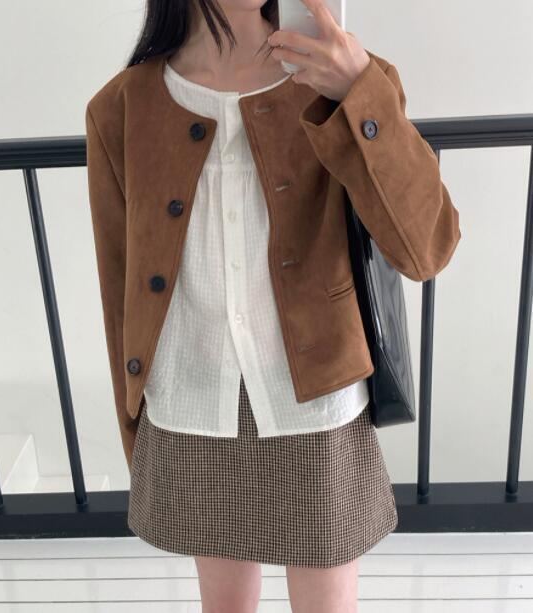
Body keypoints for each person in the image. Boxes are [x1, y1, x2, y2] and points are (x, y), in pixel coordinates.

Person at [85, 0, 461, 611]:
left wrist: (357, 92)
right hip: (190, 400)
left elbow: (429, 248)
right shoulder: (123, 107)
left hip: (313, 400)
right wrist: (134, 425)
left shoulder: (343, 78)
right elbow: (118, 287)